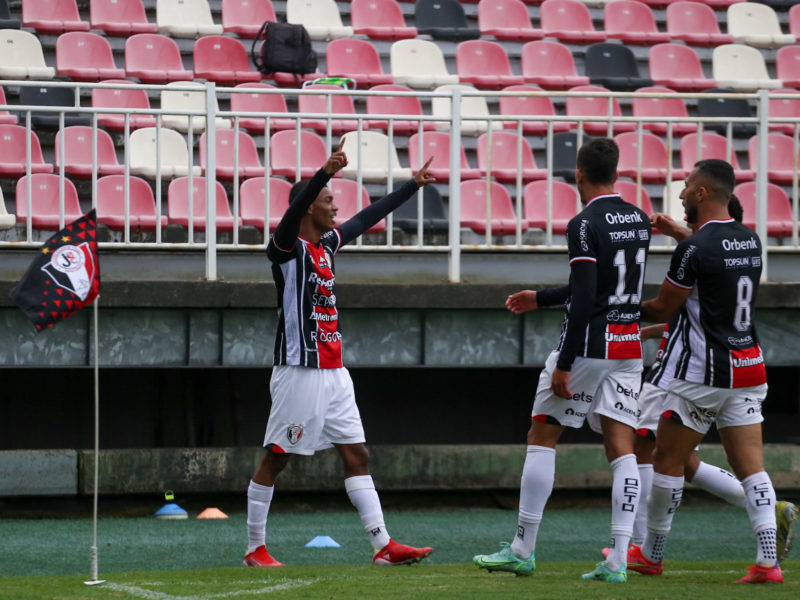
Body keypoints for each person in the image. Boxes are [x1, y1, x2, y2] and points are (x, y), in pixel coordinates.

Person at [243, 142, 436, 568]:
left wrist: (411, 187)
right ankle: (255, 548)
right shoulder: (286, 250)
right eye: (329, 201)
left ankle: (383, 546)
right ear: (309, 206)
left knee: (357, 455)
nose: (336, 208)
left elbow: (369, 217)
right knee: (278, 457)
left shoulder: (328, 245)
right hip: (299, 371)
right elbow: (289, 220)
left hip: (335, 371)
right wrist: (322, 175)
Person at [473, 137, 651, 583]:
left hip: (590, 344)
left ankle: (522, 549)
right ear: (616, 173)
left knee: (541, 436)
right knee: (621, 448)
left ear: (578, 173)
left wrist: (565, 363)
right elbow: (604, 285)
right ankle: (618, 559)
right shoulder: (638, 218)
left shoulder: (583, 223)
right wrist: (543, 297)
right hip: (628, 346)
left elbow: (590, 294)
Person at [633, 159, 782, 584]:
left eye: (685, 187)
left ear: (702, 193)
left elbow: (664, 306)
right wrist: (680, 236)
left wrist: (615, 308)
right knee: (752, 467)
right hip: (748, 368)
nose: (680, 194)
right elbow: (712, 258)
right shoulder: (750, 240)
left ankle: (652, 554)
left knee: (667, 459)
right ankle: (768, 563)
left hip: (698, 376)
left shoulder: (693, 249)